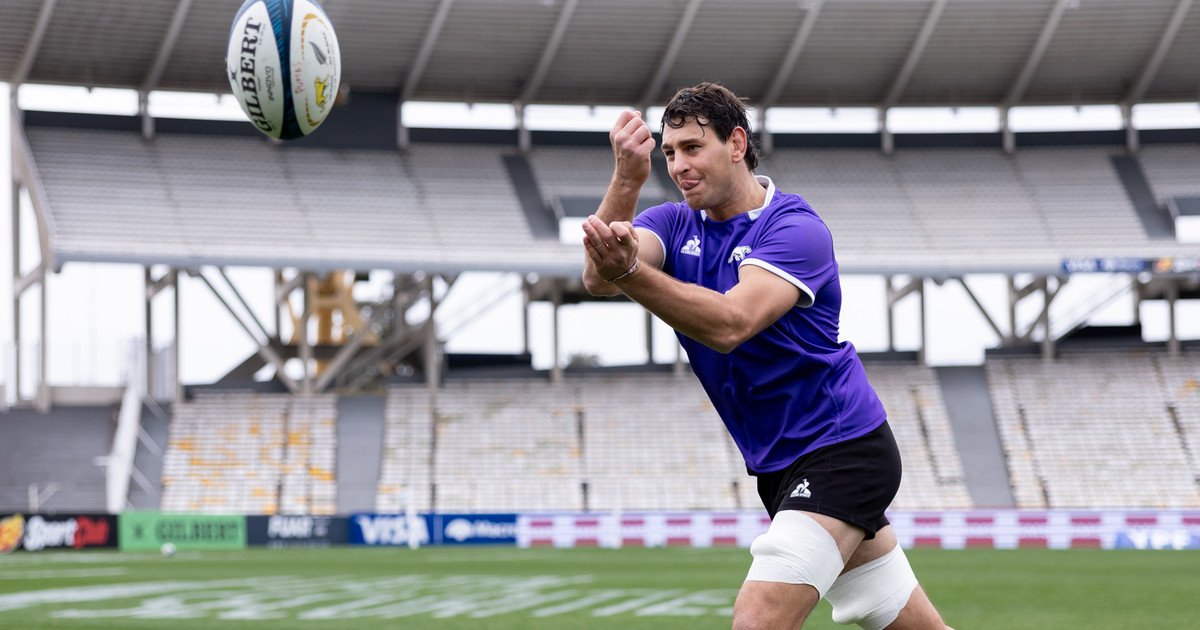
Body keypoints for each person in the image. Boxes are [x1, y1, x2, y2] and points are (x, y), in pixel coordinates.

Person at [580, 82, 953, 630]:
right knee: (898, 618)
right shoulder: (673, 222)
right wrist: (627, 180)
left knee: (758, 620)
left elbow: (732, 324)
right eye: (668, 153)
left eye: (692, 147)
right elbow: (599, 277)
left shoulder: (795, 229)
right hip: (780, 465)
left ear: (736, 143)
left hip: (842, 448)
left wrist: (632, 273)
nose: (679, 165)